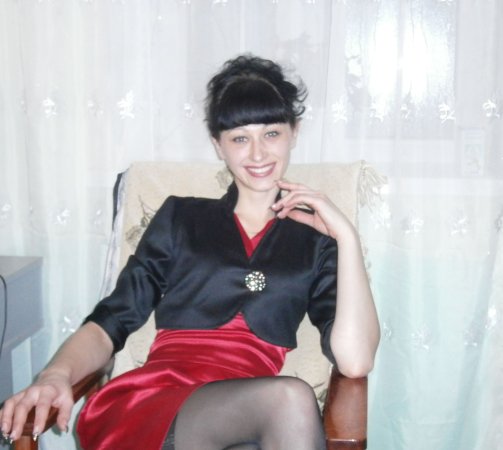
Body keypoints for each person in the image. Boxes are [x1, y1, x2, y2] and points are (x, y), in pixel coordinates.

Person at [0, 54, 380, 450]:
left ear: (294, 133)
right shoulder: (181, 218)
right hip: (152, 402)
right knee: (290, 398)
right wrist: (56, 374)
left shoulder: (316, 242)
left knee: (281, 408)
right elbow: (111, 321)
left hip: (248, 419)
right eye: (239, 138)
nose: (257, 154)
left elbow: (355, 361)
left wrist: (346, 238)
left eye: (271, 134)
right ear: (218, 145)